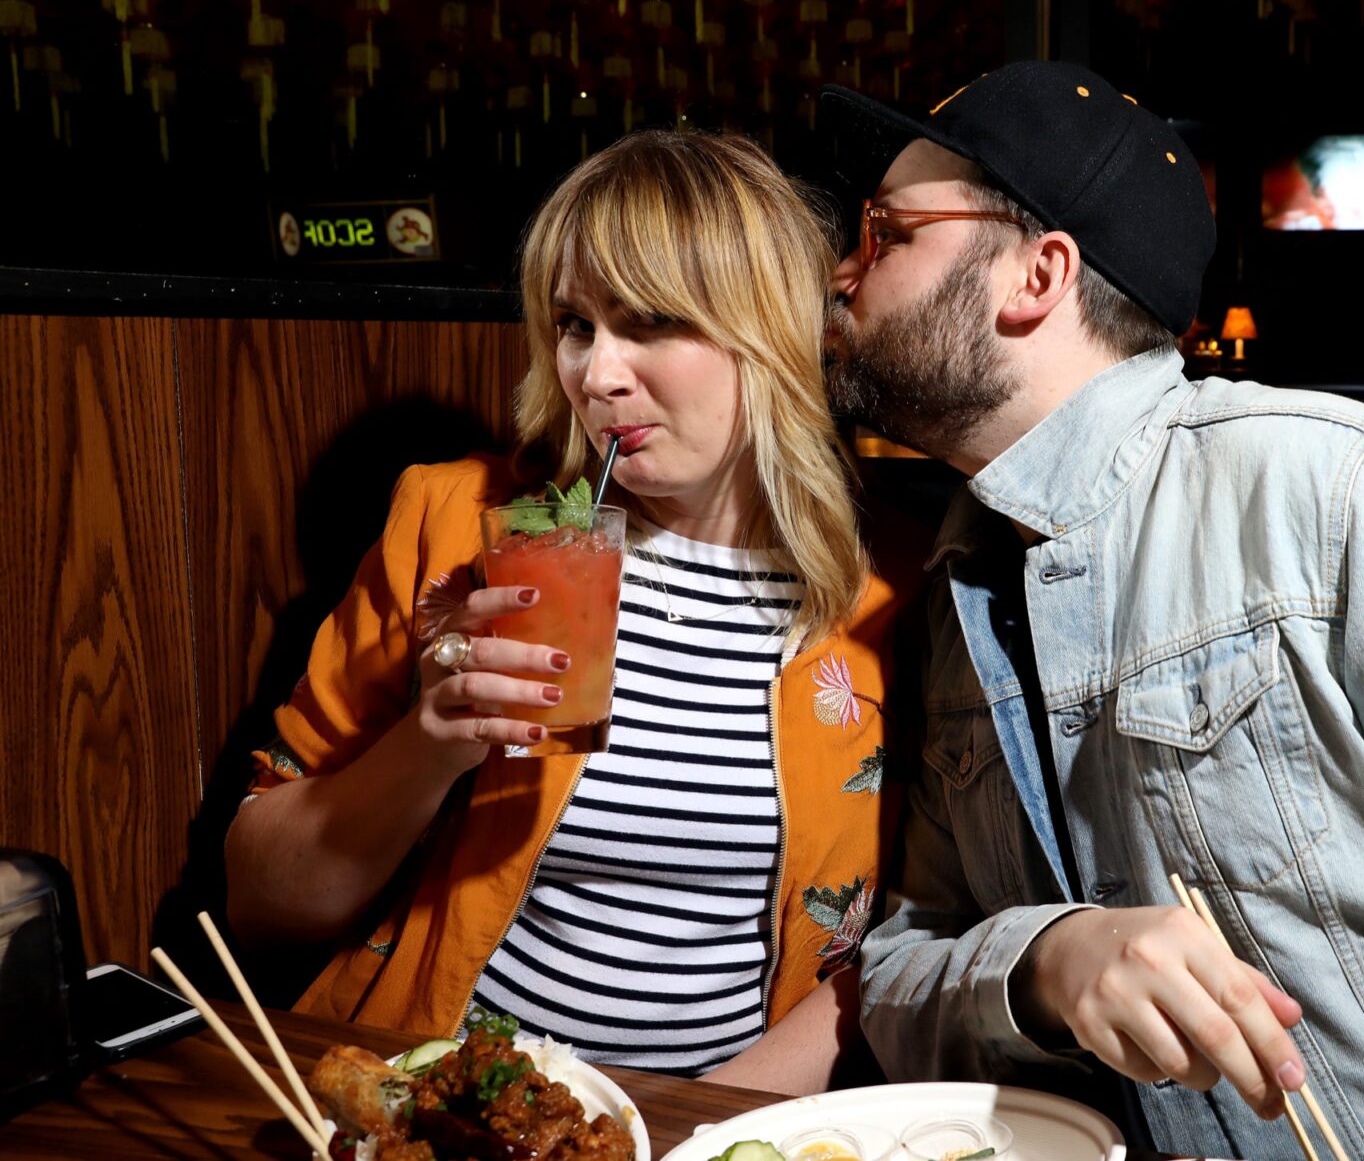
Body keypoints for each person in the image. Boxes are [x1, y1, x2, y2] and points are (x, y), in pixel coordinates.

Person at [821, 62, 1364, 1157]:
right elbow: (904, 966)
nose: (840, 270)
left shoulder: (1341, 496)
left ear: (1035, 275)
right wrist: (1045, 961)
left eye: (885, 230)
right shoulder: (958, 578)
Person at [226, 131, 912, 1093]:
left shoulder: (886, 608)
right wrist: (430, 740)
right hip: (455, 1100)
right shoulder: (459, 526)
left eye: (649, 324)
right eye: (575, 324)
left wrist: (700, 1129)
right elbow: (258, 898)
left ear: (771, 334)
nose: (595, 374)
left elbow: (904, 947)